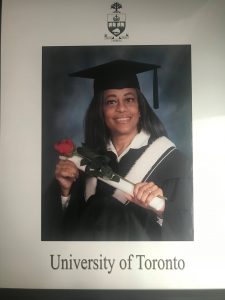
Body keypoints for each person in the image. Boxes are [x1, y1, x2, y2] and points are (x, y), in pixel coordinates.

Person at [43, 60, 193, 241]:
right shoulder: (83, 162)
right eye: (111, 101)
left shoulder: (172, 161)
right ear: (101, 110)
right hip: (90, 264)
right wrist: (65, 192)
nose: (121, 108)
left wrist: (161, 208)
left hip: (141, 263)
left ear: (140, 108)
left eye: (129, 99)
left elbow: (190, 228)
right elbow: (61, 233)